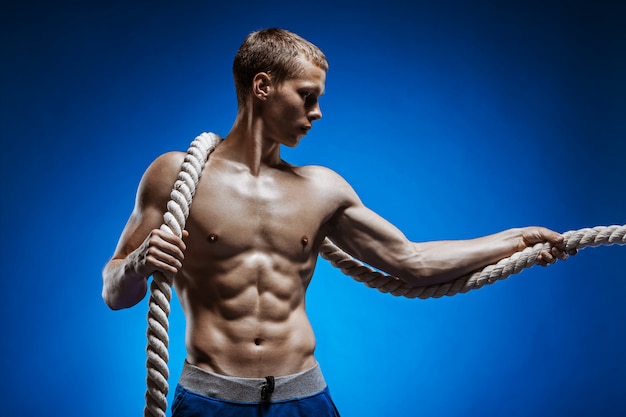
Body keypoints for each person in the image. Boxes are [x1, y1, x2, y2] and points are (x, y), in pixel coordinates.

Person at [102, 28, 573, 417]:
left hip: (303, 399)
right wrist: (138, 264)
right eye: (307, 96)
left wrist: (515, 239)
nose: (317, 113)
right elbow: (114, 293)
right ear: (262, 86)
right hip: (211, 401)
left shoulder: (321, 189)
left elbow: (412, 262)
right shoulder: (175, 175)